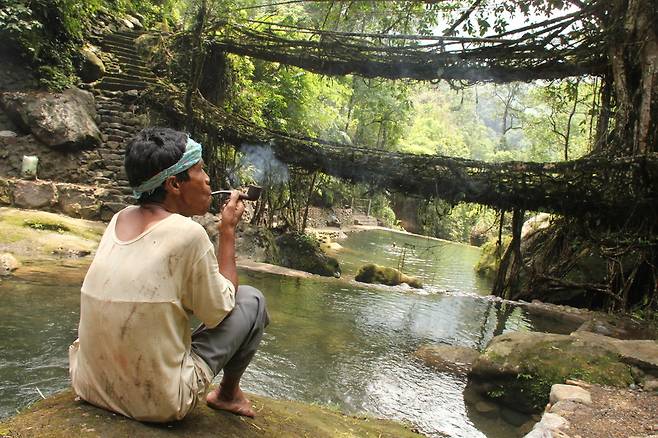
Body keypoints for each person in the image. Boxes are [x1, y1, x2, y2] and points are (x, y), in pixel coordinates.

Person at [68, 127, 269, 422]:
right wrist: (227, 232)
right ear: (175, 184)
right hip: (157, 404)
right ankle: (228, 395)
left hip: (88, 386)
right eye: (200, 169)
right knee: (252, 300)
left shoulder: (118, 219)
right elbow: (221, 309)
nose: (208, 179)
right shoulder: (188, 234)